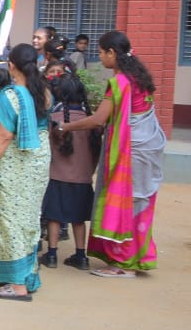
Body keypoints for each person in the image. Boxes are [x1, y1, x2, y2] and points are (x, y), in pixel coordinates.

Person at [55, 30, 165, 277]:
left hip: (132, 150)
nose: (100, 57)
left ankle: (122, 263)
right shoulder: (139, 77)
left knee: (127, 201)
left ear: (112, 53)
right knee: (140, 203)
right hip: (147, 146)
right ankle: (138, 256)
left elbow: (98, 120)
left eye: (102, 52)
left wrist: (65, 126)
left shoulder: (119, 83)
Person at [0, 44, 51, 301]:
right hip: (38, 161)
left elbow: (5, 135)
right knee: (28, 218)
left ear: (12, 65)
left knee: (8, 219)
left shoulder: (11, 95)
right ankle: (26, 275)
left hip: (15, 162)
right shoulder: (44, 92)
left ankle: (17, 283)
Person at [41, 72, 96, 269]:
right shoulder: (92, 121)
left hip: (57, 175)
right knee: (79, 218)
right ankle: (81, 256)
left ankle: (52, 254)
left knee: (54, 216)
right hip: (83, 177)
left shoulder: (55, 120)